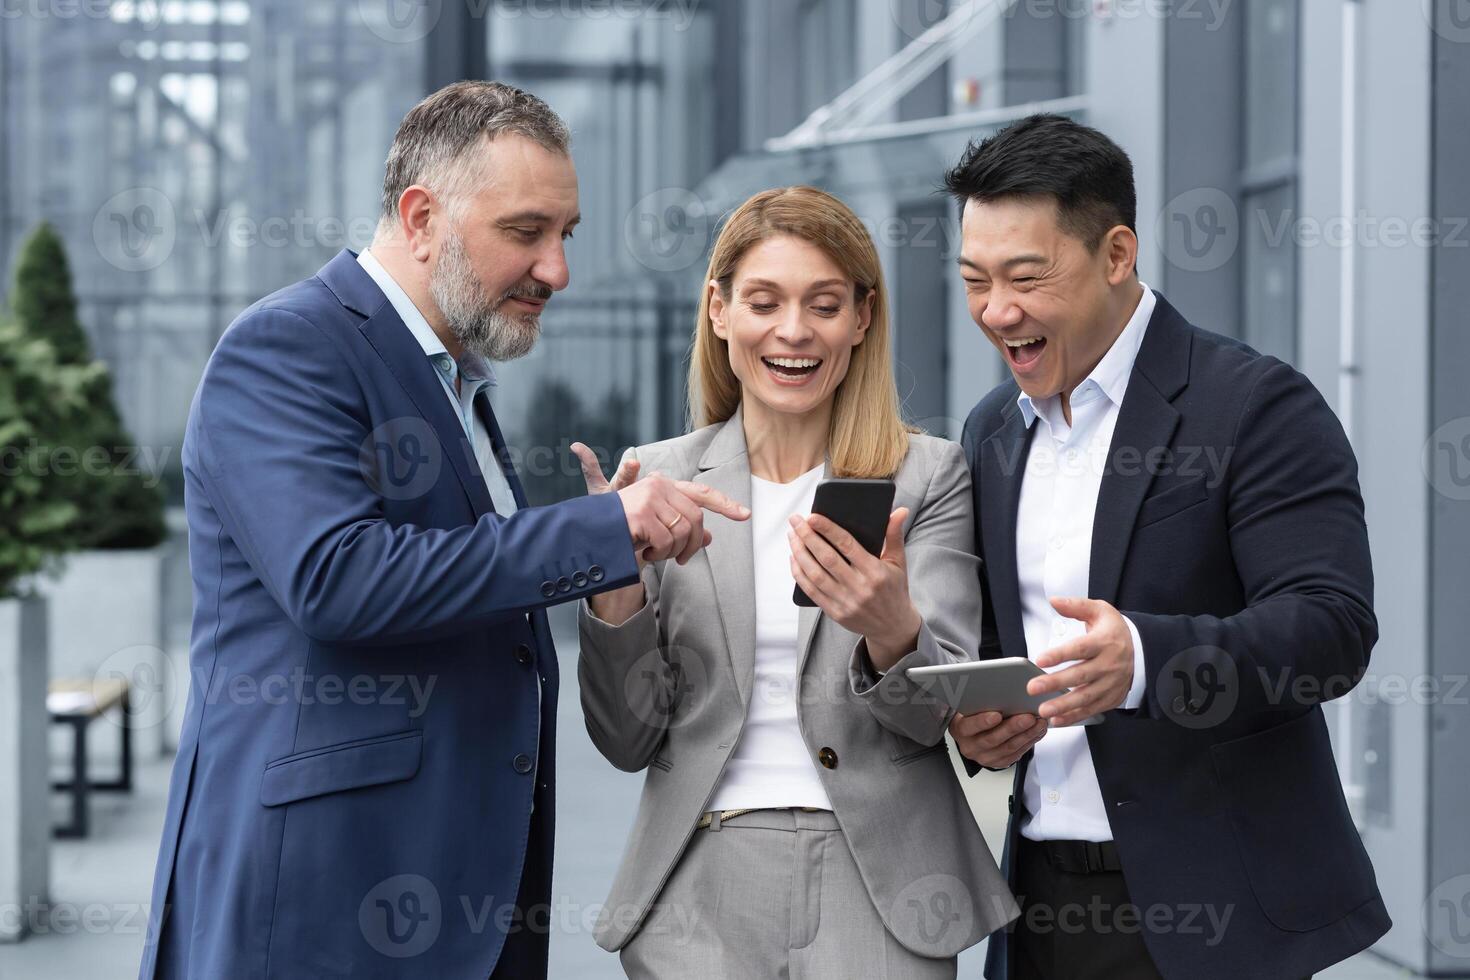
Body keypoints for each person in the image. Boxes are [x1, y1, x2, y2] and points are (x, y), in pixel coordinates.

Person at [138, 80, 747, 980]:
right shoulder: (287, 347)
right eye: (526, 232)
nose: (558, 271)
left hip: (445, 903)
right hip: (317, 905)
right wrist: (598, 530)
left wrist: (607, 544)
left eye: (566, 235)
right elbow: (338, 580)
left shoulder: (452, 379)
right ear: (421, 217)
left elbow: (465, 588)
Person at [944, 114, 1390, 980]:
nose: (998, 312)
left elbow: (1332, 627)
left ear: (1117, 254)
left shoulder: (1255, 406)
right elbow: (1009, 649)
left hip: (1210, 917)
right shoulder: (993, 429)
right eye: (974, 281)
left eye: (1026, 277)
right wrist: (984, 724)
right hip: (1036, 905)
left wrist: (1146, 661)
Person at [573, 186, 1018, 980]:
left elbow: (932, 721)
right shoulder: (663, 478)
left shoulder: (928, 475)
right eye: (764, 301)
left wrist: (891, 628)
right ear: (719, 310)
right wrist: (617, 591)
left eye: (823, 303)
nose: (792, 330)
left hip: (881, 882)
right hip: (698, 881)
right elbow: (626, 738)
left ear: (862, 317)